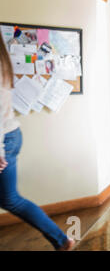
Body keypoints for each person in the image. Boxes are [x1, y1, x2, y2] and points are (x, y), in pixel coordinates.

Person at [0, 34, 75, 251]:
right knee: (10, 199)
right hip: (9, 135)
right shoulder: (4, 63)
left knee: (11, 200)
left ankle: (62, 240)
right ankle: (62, 241)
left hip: (5, 139)